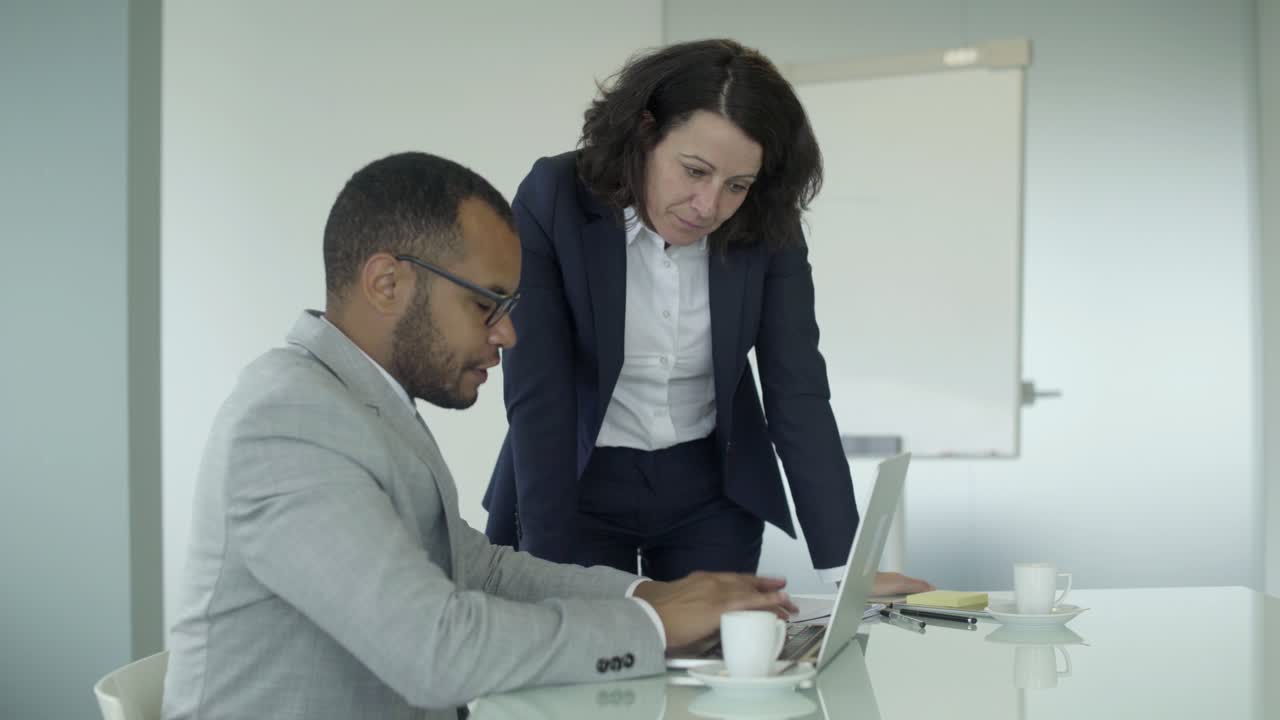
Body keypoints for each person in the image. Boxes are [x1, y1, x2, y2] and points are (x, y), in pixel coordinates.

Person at [162, 152, 797, 720]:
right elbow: (433, 651)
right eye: (484, 305)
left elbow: (478, 570)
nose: (507, 336)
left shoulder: (362, 405)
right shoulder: (291, 422)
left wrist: (651, 591)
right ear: (388, 284)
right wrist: (653, 626)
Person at [483, 39, 931, 595]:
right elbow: (539, 394)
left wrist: (848, 570)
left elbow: (798, 390)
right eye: (694, 171)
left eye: (736, 185)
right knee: (593, 658)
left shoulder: (766, 221)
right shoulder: (555, 196)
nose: (708, 206)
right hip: (575, 480)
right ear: (645, 132)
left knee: (721, 662)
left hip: (711, 488)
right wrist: (542, 572)